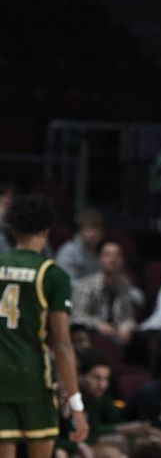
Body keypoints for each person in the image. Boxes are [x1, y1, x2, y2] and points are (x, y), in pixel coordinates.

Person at [0, 193, 88, 457]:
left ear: (11, 229)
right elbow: (61, 343)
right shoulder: (53, 275)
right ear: (47, 230)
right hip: (33, 379)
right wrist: (76, 405)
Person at [55, 349, 161, 457]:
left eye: (106, 379)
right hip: (73, 445)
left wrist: (143, 431)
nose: (102, 385)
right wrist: (121, 429)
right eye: (96, 378)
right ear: (80, 376)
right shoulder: (65, 396)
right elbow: (86, 431)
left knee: (159, 442)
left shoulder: (100, 394)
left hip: (90, 440)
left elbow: (115, 419)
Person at [71, 241, 139, 346]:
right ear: (100, 260)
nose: (113, 260)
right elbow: (77, 316)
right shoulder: (87, 285)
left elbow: (128, 316)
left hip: (117, 336)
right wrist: (98, 325)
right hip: (93, 336)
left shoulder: (124, 285)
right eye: (108, 255)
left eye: (117, 256)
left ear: (122, 261)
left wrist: (127, 326)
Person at [54, 208, 105, 283]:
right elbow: (65, 283)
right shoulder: (68, 251)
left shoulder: (99, 253)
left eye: (96, 230)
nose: (93, 234)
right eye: (88, 229)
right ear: (81, 231)